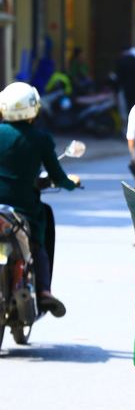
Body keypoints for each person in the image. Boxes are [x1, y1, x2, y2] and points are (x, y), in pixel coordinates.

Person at [0, 82, 80, 317]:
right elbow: (57, 176)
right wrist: (70, 183)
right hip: (24, 208)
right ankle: (44, 290)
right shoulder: (40, 139)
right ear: (33, 108)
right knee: (39, 236)